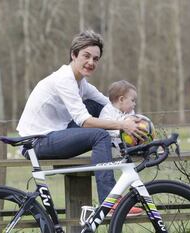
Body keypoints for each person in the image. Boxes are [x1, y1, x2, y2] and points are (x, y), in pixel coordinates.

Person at [16, 30, 144, 215]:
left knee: (94, 105)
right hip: (36, 142)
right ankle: (110, 202)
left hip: (55, 133)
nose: (91, 62)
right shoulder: (64, 80)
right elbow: (84, 121)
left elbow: (109, 104)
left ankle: (124, 143)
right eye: (86, 56)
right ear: (73, 55)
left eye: (96, 58)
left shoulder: (81, 83)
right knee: (99, 135)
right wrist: (123, 125)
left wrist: (135, 121)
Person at [99, 80, 138, 152]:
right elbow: (106, 129)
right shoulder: (107, 111)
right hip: (111, 146)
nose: (134, 104)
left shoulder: (130, 112)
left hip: (128, 143)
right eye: (132, 100)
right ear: (121, 99)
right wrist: (122, 131)